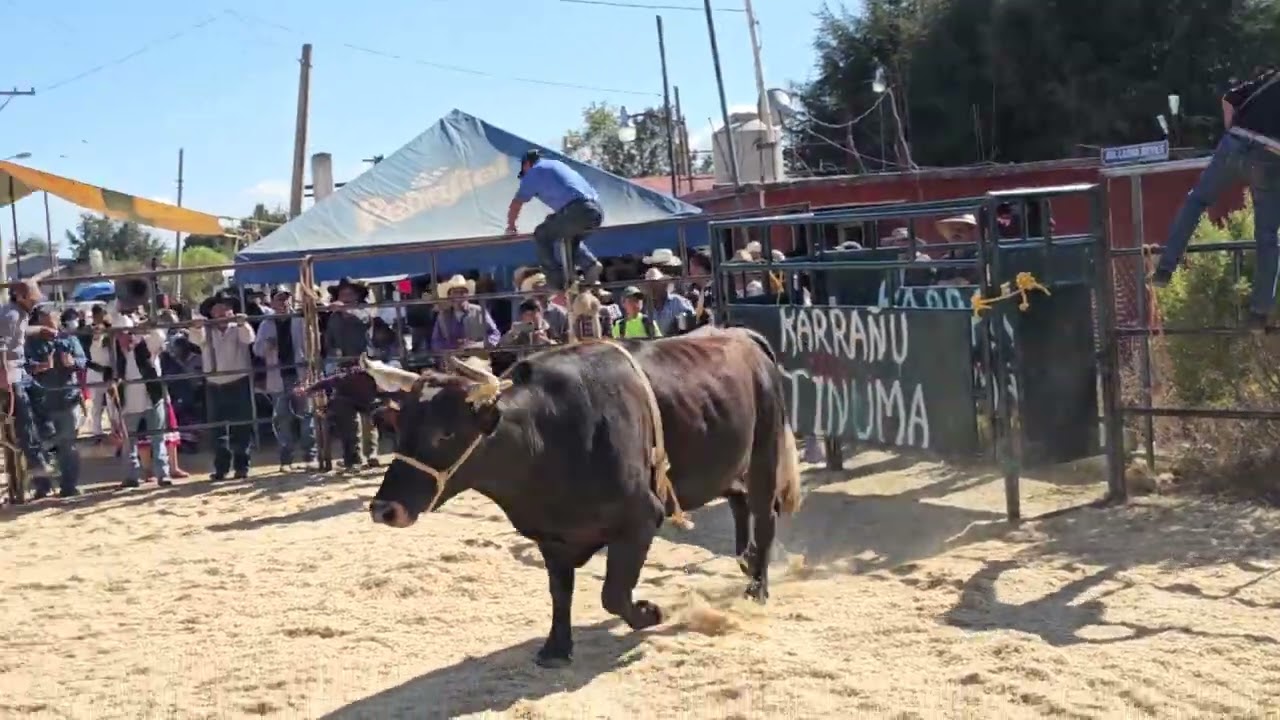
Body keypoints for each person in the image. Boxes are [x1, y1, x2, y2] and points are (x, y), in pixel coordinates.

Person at [1153, 66, 1280, 332]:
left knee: (1197, 201)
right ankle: (1259, 313)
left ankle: (1165, 268)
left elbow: (1228, 99)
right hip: (1269, 155)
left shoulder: (1271, 76)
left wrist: (1231, 133)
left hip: (1234, 142)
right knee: (1267, 236)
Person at [505, 149, 604, 291]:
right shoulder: (556, 164)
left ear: (527, 164)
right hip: (595, 211)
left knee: (542, 234)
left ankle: (556, 281)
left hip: (577, 211)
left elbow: (516, 204)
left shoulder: (533, 172)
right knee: (567, 237)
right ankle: (589, 265)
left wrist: (511, 226)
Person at [189, 293, 256, 481]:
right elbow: (195, 339)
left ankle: (242, 466)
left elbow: (249, 338)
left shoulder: (238, 327)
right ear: (210, 312)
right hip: (214, 384)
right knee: (218, 430)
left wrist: (242, 323)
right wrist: (197, 326)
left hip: (239, 381)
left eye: (225, 307)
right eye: (217, 308)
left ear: (232, 310)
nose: (221, 312)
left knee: (242, 427)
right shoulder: (206, 329)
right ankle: (221, 468)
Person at [24, 306, 86, 499]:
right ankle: (42, 487)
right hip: (42, 401)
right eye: (47, 317)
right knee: (42, 446)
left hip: (67, 399)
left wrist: (72, 363)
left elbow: (83, 359)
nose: (52, 320)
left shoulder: (68, 338)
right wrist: (40, 367)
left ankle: (69, 486)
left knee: (68, 445)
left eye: (52, 317)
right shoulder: (32, 342)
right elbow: (24, 364)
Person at [253, 288, 316, 472]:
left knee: (306, 416)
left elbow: (311, 345)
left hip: (300, 374)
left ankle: (309, 456)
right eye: (279, 300)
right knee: (282, 418)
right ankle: (286, 459)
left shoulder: (299, 321)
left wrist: (311, 368)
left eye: (285, 299)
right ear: (272, 303)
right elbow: (257, 350)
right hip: (278, 375)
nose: (283, 303)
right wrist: (267, 345)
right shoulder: (266, 324)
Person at [110, 307, 173, 488]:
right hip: (128, 403)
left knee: (158, 439)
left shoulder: (146, 345)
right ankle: (131, 476)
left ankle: (163, 474)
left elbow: (159, 337)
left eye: (129, 332)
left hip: (152, 398)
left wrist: (144, 326)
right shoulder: (113, 354)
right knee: (129, 442)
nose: (126, 337)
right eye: (121, 334)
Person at [0, 280, 55, 490]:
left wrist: (39, 329)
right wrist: (4, 373)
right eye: (32, 298)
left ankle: (44, 448)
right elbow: (2, 342)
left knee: (39, 404)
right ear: (21, 297)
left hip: (19, 369)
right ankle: (39, 467)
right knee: (25, 421)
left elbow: (19, 333)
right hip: (11, 373)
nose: (35, 302)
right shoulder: (11, 315)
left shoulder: (18, 314)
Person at [430, 274, 500, 353]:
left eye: (463, 292)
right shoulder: (442, 317)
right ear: (450, 296)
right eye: (456, 292)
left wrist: (479, 345)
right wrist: (451, 349)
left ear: (467, 295)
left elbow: (495, 335)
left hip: (478, 358)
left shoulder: (479, 312)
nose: (460, 295)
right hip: (452, 359)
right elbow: (436, 342)